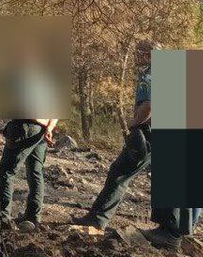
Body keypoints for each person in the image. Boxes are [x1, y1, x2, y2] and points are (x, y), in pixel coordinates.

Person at [74, 39, 178, 238]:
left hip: (147, 132)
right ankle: (168, 230)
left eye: (139, 52)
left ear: (149, 55)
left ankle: (97, 220)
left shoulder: (150, 73)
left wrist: (135, 122)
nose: (135, 56)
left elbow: (149, 104)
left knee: (119, 173)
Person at [0, 116, 57, 225]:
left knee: (7, 172)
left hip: (24, 127)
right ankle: (33, 217)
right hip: (42, 131)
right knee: (35, 172)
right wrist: (49, 127)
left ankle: (3, 218)